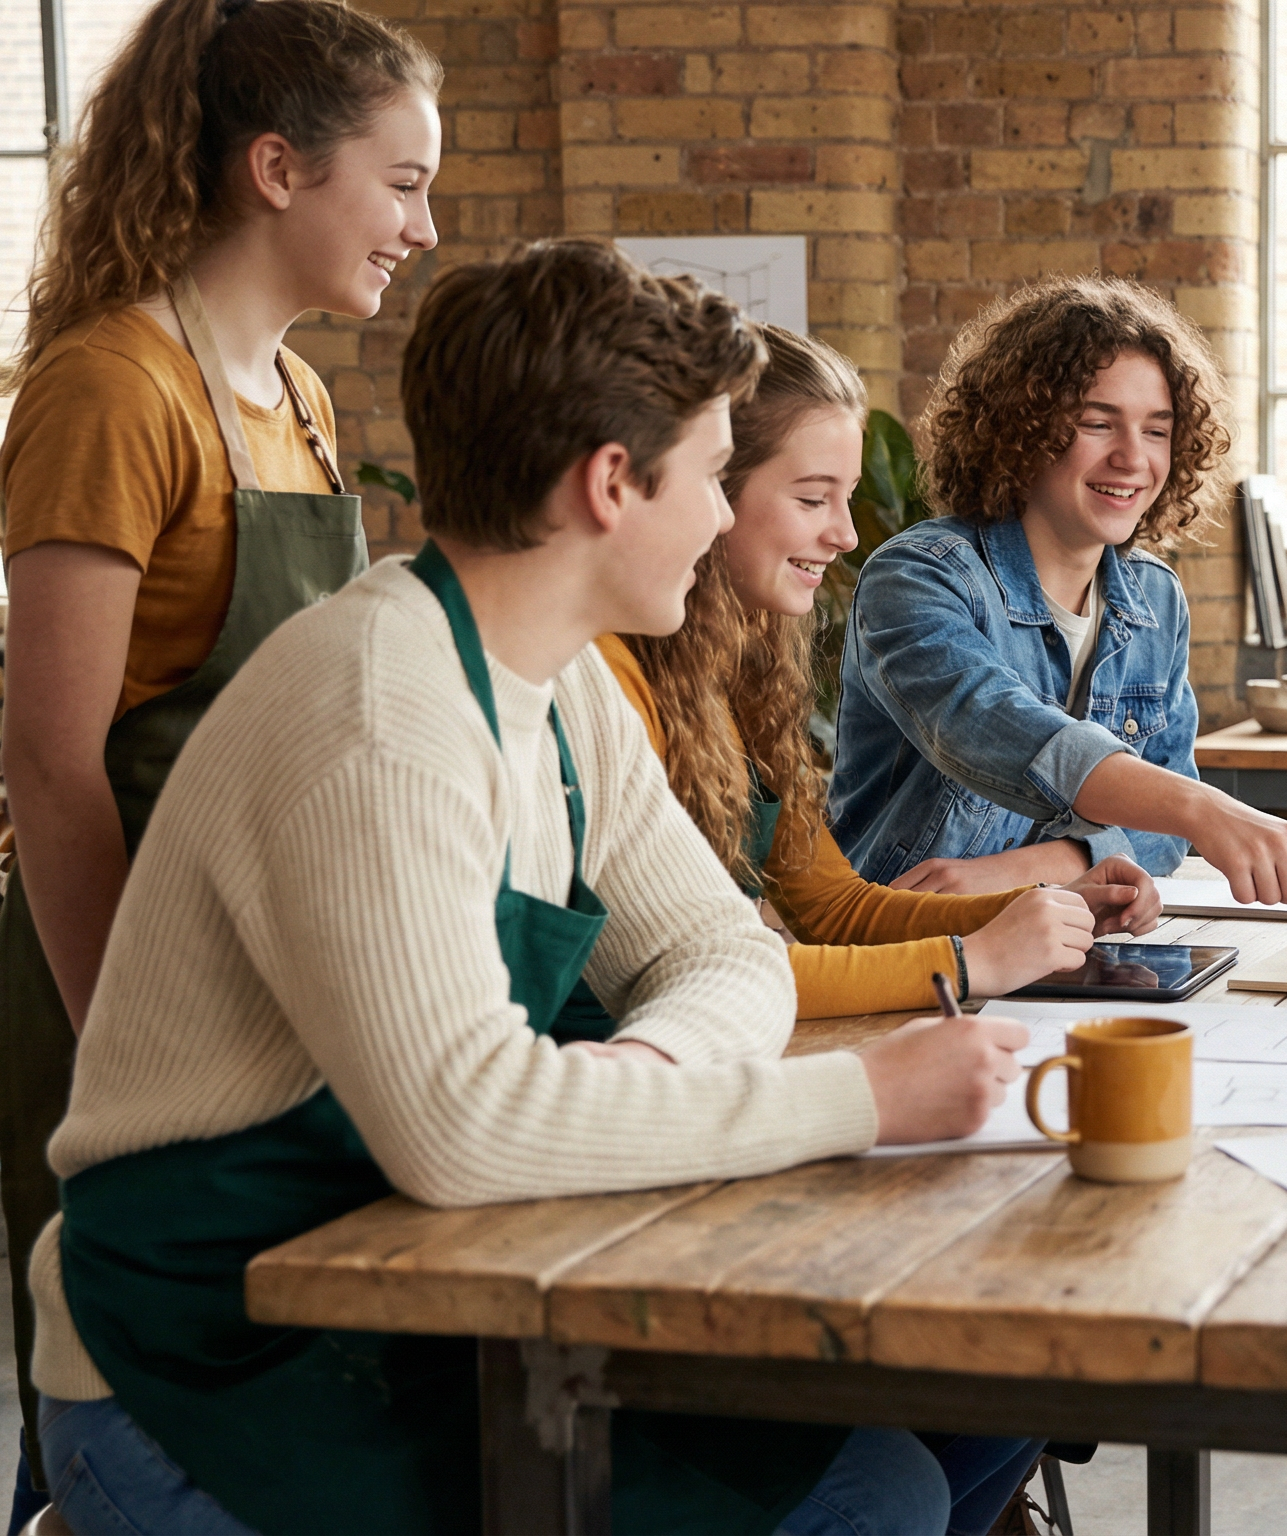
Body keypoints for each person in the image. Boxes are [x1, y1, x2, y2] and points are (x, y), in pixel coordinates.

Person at [25, 240, 1042, 1536]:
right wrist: (859, 1098)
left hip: (426, 1291)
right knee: (872, 1501)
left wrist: (650, 1068)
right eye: (709, 476)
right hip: (208, 1357)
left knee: (920, 1448)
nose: (721, 518)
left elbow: (722, 952)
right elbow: (463, 1130)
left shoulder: (554, 681)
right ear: (610, 484)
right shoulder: (379, 712)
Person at [0, 0, 438, 1521]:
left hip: (261, 965)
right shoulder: (111, 389)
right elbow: (51, 764)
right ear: (277, 169)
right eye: (401, 184)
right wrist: (129, 1038)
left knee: (260, 1395)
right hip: (116, 961)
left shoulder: (300, 399)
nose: (421, 228)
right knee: (113, 1378)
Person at [597, 323, 1161, 1018]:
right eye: (813, 499)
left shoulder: (739, 668)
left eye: (847, 496)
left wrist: (1043, 908)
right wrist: (971, 961)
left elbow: (833, 907)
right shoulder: (610, 679)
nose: (846, 534)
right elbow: (699, 971)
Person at [830, 274, 1287, 909]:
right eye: (1097, 423)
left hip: (1055, 935)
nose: (1133, 458)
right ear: (1020, 430)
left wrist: (1046, 865)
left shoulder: (1155, 599)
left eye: (1157, 430)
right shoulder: (919, 576)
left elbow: (1161, 835)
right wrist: (1203, 809)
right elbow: (995, 727)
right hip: (895, 932)